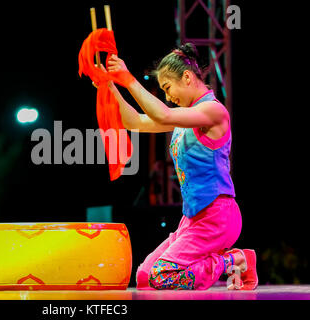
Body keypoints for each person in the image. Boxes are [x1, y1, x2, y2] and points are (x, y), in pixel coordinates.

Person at [101, 43, 258, 290]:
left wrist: (128, 79)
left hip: (217, 216)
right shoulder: (186, 116)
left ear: (186, 77)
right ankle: (229, 261)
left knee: (163, 276)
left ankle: (236, 260)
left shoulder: (213, 111)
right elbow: (134, 122)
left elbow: (162, 114)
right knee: (145, 278)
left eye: (167, 87)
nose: (167, 96)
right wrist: (109, 86)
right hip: (193, 219)